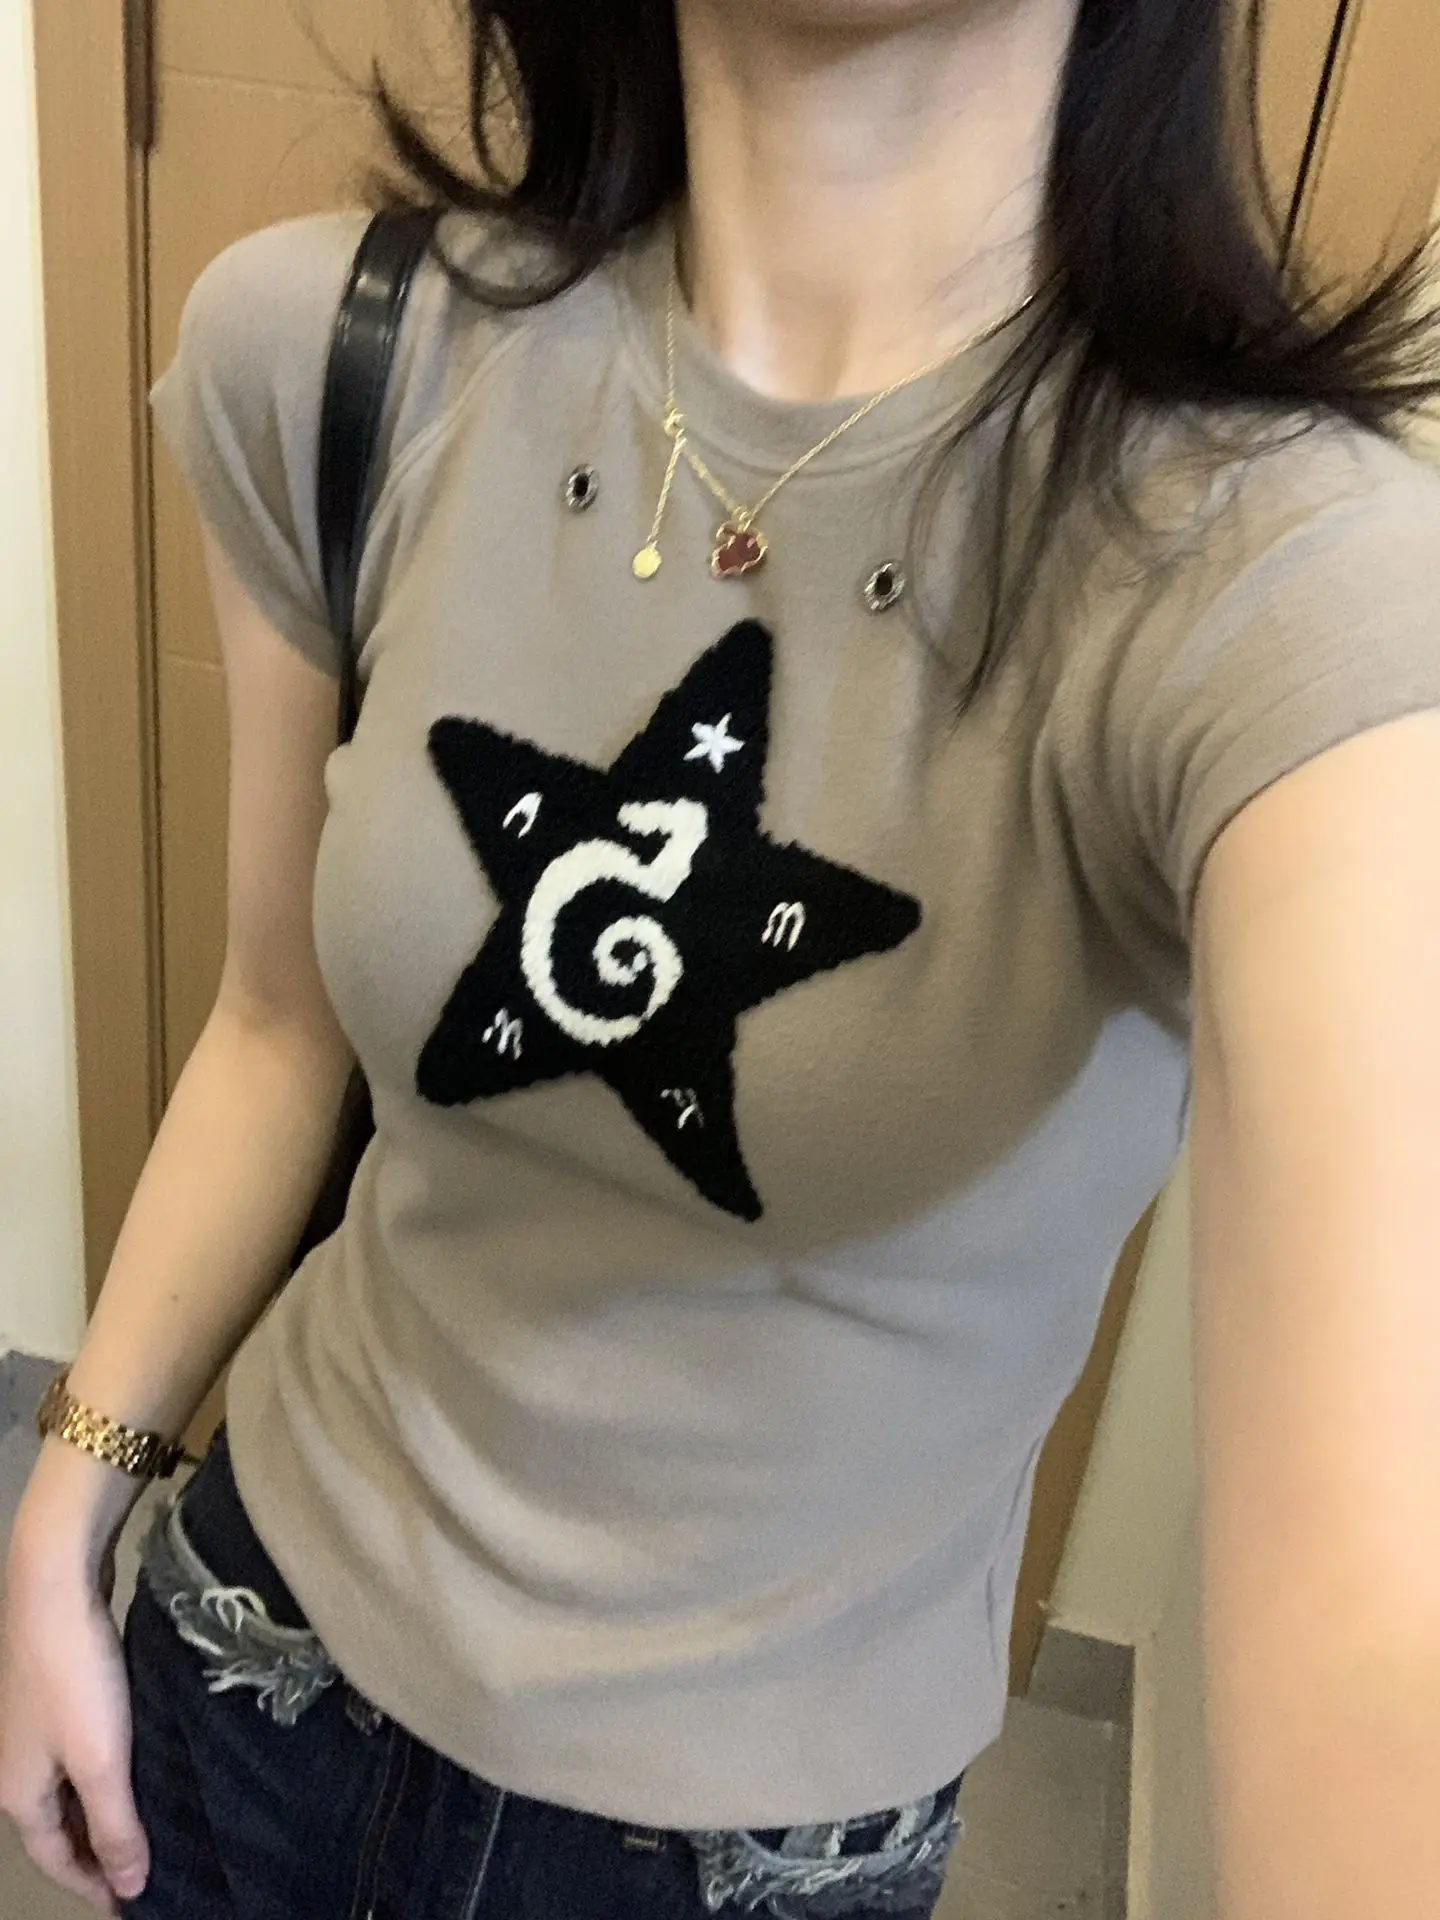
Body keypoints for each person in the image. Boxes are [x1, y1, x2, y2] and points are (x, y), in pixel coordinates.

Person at [5, 0, 1440, 1914]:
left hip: (751, 1858)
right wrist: (66, 1497)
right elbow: (275, 1027)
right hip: (251, 1661)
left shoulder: (1286, 579)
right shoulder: (335, 352)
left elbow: (1379, 1612)